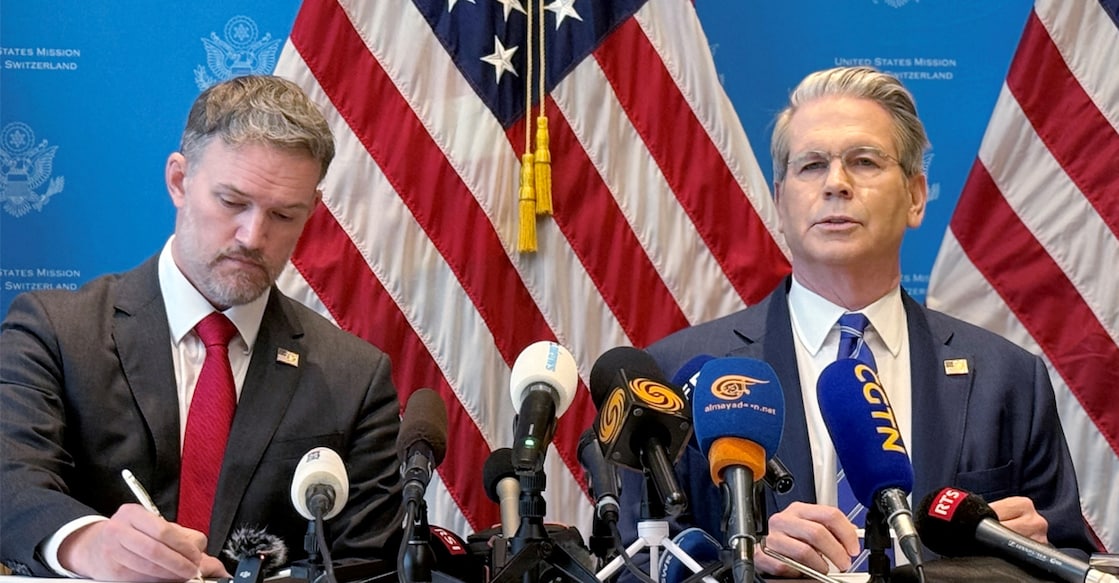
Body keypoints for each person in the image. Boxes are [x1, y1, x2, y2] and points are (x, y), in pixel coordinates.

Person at [624, 66, 1095, 577]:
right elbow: (633, 566)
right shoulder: (678, 373)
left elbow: (1071, 559)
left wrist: (1024, 557)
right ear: (780, 201)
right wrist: (746, 565)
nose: (836, 184)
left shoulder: (1007, 378)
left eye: (864, 162)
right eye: (811, 166)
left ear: (916, 196)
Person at [0, 75, 404, 581]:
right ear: (178, 180)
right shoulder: (56, 332)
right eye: (233, 202)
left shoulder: (354, 378)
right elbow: (10, 481)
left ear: (312, 212)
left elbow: (365, 562)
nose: (253, 236)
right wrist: (91, 543)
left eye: (284, 214)